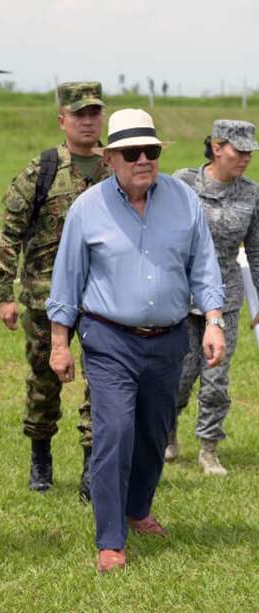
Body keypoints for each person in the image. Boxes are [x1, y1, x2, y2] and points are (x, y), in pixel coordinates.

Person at [47, 108, 225, 573]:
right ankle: (110, 539)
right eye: (132, 152)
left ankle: (138, 508)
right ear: (110, 158)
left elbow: (204, 265)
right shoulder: (87, 210)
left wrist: (213, 320)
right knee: (115, 432)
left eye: (151, 151)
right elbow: (66, 281)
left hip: (168, 340)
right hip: (109, 339)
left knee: (152, 432)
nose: (143, 159)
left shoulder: (184, 201)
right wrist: (59, 343)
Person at [0, 81, 110, 499]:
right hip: (45, 298)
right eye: (79, 114)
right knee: (44, 381)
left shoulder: (117, 167)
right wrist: (4, 293)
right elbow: (9, 235)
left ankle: (91, 466)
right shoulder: (41, 171)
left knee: (101, 381)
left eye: (94, 113)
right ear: (62, 120)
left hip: (103, 300)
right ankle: (40, 455)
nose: (87, 121)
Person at [166, 120, 259, 475]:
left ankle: (209, 448)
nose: (246, 158)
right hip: (181, 297)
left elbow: (256, 251)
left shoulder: (251, 194)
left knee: (217, 377)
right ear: (217, 147)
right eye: (240, 151)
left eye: (250, 152)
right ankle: (167, 433)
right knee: (180, 375)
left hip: (226, 296)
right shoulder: (183, 183)